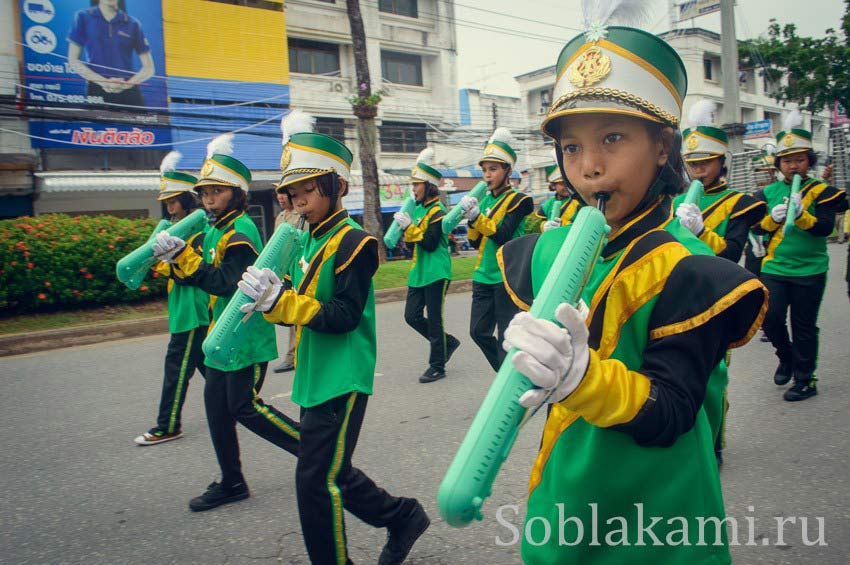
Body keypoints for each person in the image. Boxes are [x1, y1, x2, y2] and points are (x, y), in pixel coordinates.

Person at [496, 17, 767, 562]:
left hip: (657, 522)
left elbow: (671, 413)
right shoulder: (551, 250)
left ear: (663, 146)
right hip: (567, 503)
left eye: (612, 139)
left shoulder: (689, 270)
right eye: (571, 148)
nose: (589, 168)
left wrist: (583, 376)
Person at [237, 110, 429, 565]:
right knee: (331, 471)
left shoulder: (355, 243)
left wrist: (280, 302)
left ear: (338, 186)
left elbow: (342, 315)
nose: (299, 199)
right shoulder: (299, 239)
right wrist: (264, 298)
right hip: (314, 371)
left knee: (314, 480)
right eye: (293, 191)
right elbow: (292, 305)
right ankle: (402, 517)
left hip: (342, 375)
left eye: (309, 189)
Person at [151, 134, 300, 512]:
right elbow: (200, 278)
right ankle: (232, 482)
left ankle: (317, 450)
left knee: (243, 407)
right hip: (221, 337)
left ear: (235, 193)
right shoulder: (215, 229)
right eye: (204, 192)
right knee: (217, 410)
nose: (208, 198)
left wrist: (186, 260)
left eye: (217, 191)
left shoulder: (240, 232)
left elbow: (227, 285)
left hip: (245, 339)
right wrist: (177, 259)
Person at [675, 101, 767, 464]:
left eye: (705, 163)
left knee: (714, 374)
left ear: (721, 163)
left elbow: (731, 254)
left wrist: (701, 231)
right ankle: (685, 435)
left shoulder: (737, 203)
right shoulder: (675, 201)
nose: (697, 171)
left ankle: (713, 442)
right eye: (692, 164)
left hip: (718, 295)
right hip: (681, 292)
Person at [752, 110, 849, 401]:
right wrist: (773, 218)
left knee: (804, 326)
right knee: (769, 318)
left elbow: (825, 229)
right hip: (775, 267)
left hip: (811, 269)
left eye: (799, 159)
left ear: (809, 162)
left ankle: (806, 379)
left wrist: (803, 216)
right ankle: (787, 357)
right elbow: (756, 227)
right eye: (787, 160)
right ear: (779, 164)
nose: (793, 166)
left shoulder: (823, 191)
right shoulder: (767, 192)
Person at [134, 151, 209, 446]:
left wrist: (169, 264)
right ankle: (241, 404)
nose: (170, 208)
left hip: (192, 311)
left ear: (189, 201)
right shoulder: (171, 230)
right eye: (167, 202)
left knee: (176, 370)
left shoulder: (199, 231)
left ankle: (167, 425)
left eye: (174, 201)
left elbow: (193, 272)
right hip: (183, 310)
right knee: (212, 368)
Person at [460, 127, 533, 371]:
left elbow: (503, 236)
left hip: (507, 277)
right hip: (483, 275)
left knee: (506, 338)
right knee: (478, 331)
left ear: (508, 171)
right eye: (484, 170)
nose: (487, 175)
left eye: (493, 169)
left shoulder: (520, 200)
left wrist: (478, 217)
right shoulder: (483, 200)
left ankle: (506, 392)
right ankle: (506, 374)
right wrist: (471, 218)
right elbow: (473, 242)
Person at [393, 148, 460, 383]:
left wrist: (409, 228)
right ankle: (447, 342)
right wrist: (404, 228)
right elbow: (414, 246)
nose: (413, 190)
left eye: (416, 185)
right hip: (419, 271)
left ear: (428, 185)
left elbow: (430, 243)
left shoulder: (438, 212)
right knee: (411, 316)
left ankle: (437, 366)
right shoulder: (417, 210)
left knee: (434, 319)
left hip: (436, 271)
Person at [68, 0, 154, 106]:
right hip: (97, 90)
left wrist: (127, 84)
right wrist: (103, 82)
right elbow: (73, 60)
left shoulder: (133, 23)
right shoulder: (83, 17)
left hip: (129, 93)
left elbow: (149, 68)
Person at [271, 191, 302, 374]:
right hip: (282, 269)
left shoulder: (301, 214)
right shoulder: (281, 216)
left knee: (297, 311)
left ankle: (293, 356)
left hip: (296, 267)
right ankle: (292, 355)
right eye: (278, 195)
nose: (281, 198)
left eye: (284, 194)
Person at [535, 157, 580, 232]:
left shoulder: (578, 202)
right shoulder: (549, 203)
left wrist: (562, 224)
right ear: (553, 185)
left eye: (569, 183)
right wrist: (544, 226)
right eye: (562, 183)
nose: (567, 187)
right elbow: (539, 222)